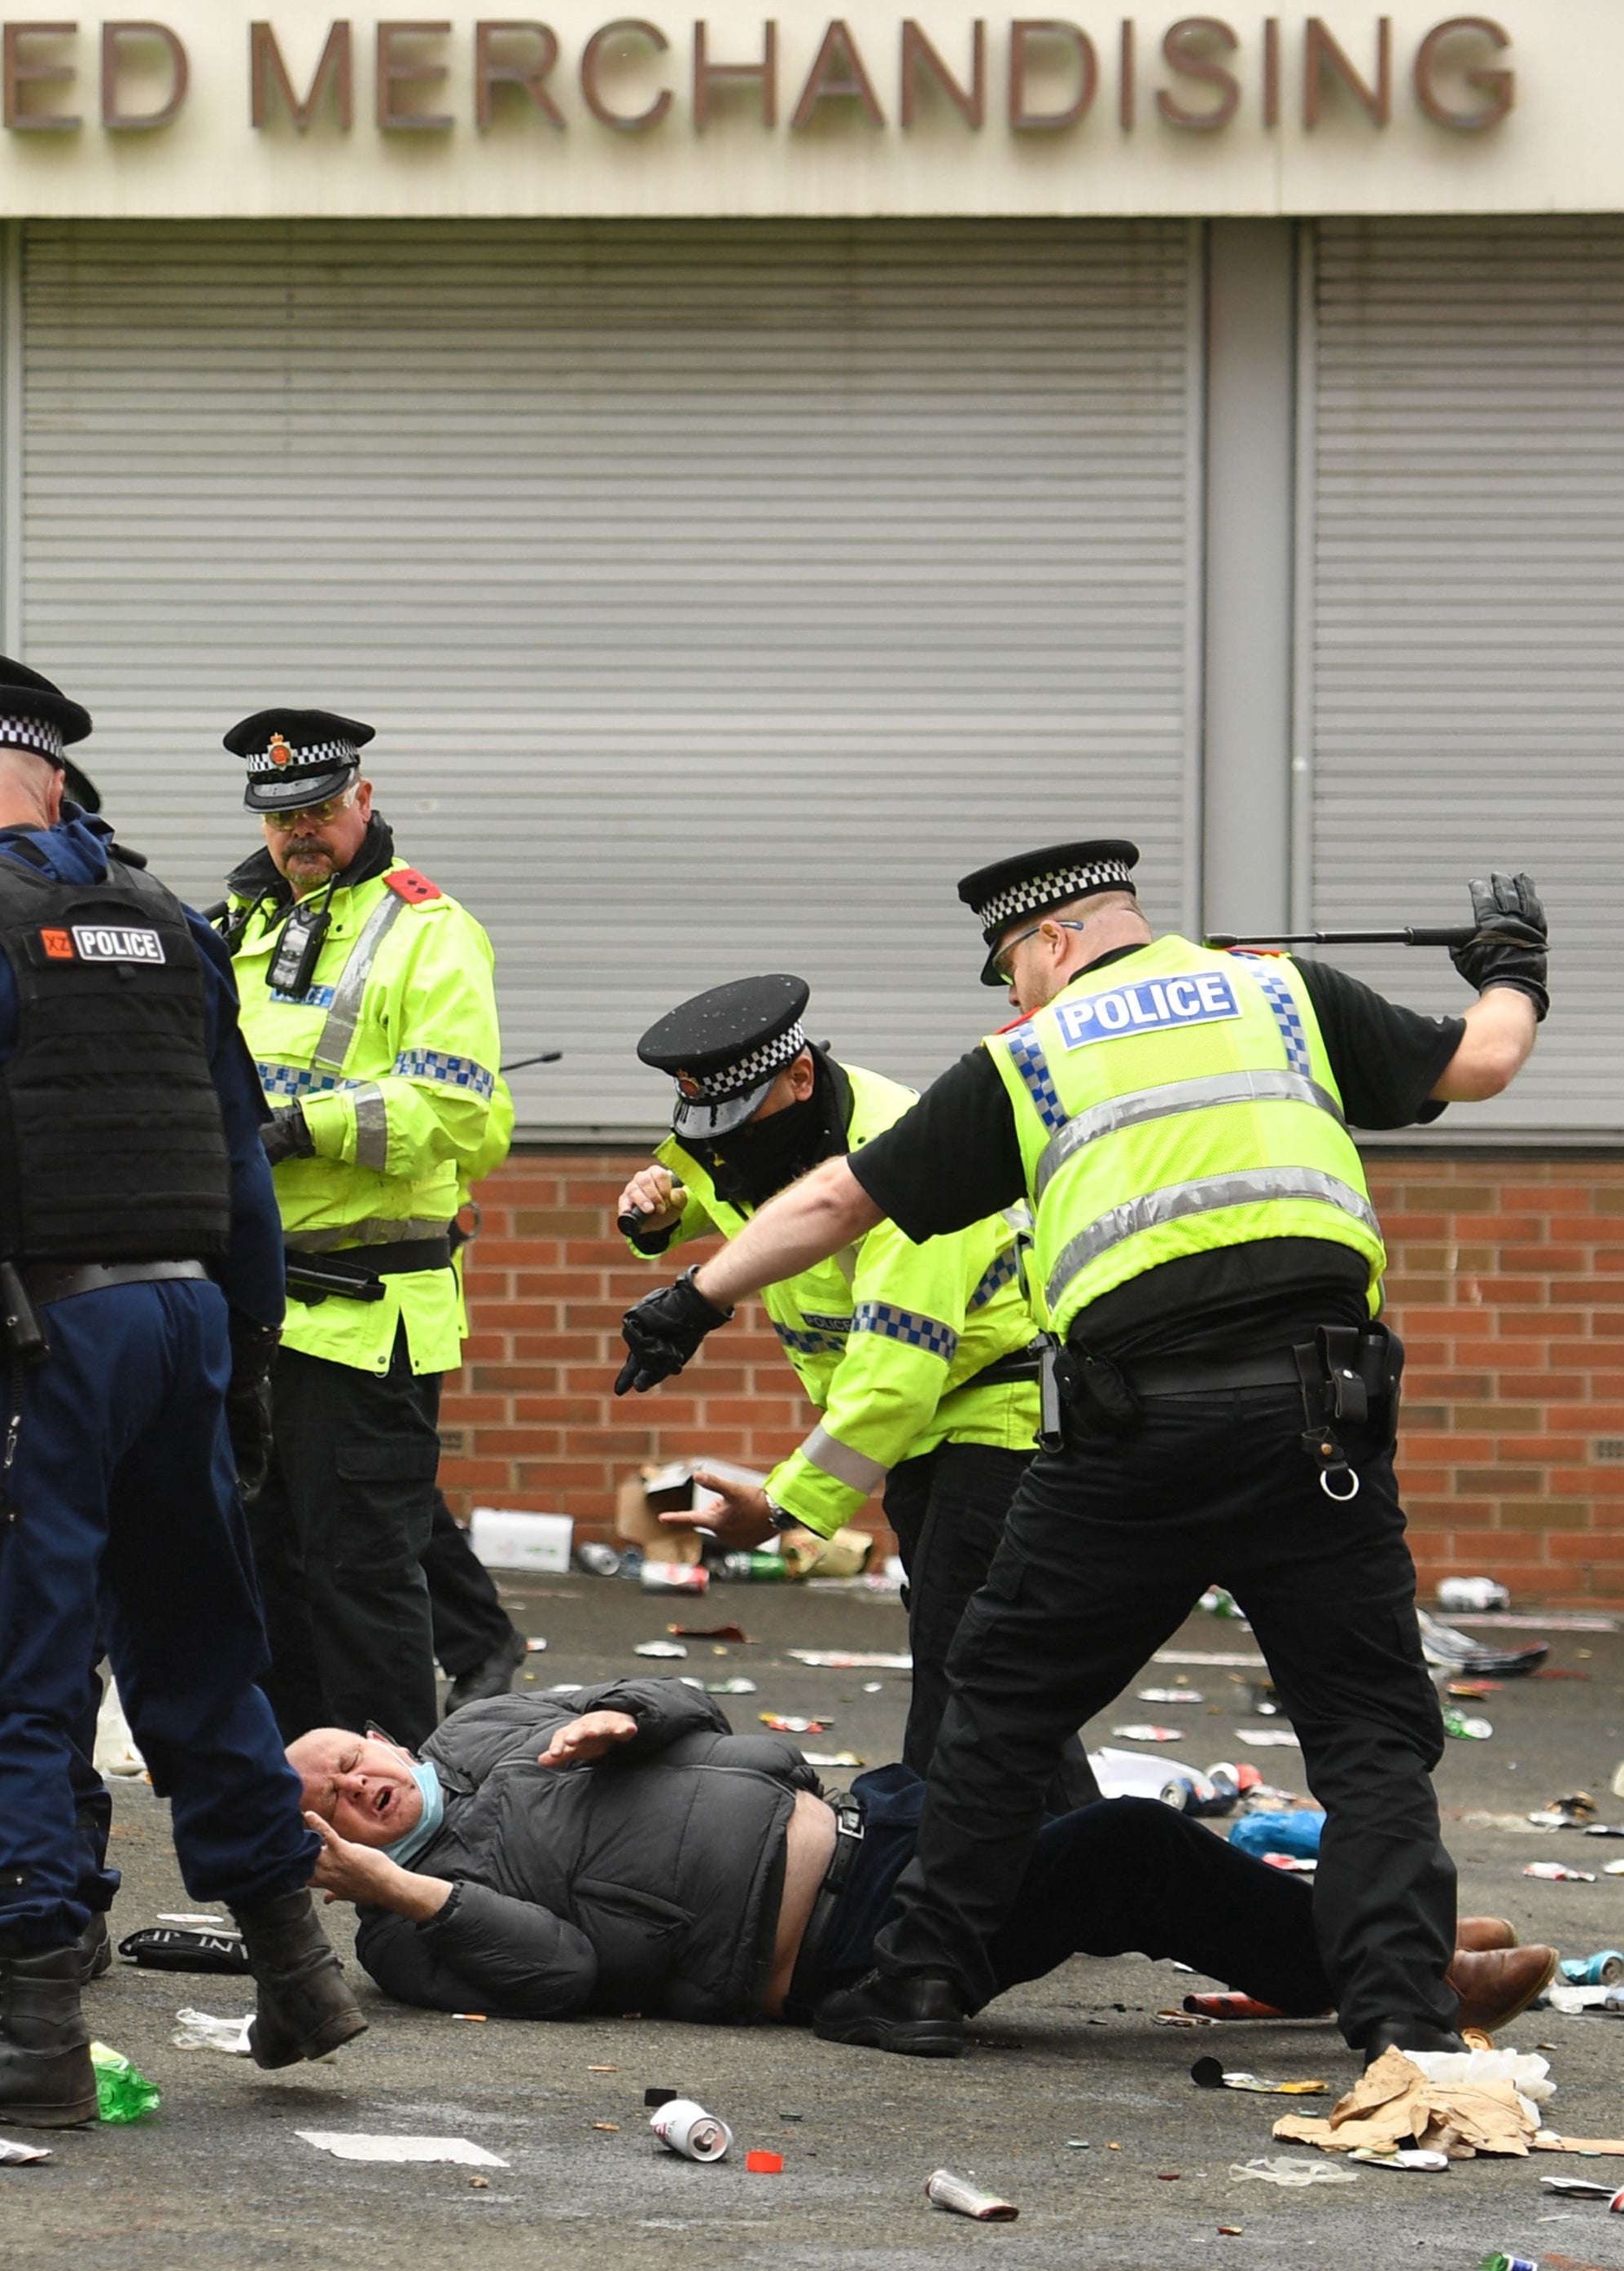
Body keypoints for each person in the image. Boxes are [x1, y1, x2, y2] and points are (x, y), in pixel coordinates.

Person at [610, 839, 1551, 2059]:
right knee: (1368, 1736)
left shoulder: (1030, 1054)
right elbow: (1482, 1060)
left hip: (1125, 1432)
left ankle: (914, 1989)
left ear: (1054, 939)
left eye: (1011, 963)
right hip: (1318, 1422)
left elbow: (844, 1198)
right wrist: (1513, 970)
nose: (1010, 993)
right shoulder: (1282, 993)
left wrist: (695, 1296)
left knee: (996, 1709)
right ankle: (1397, 2020)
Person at [0, 641, 364, 2127]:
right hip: (183, 1324)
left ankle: (28, 2030)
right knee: (199, 1648)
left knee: (0, 1658)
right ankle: (294, 1966)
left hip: (32, 1343)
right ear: (52, 777)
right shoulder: (166, 921)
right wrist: (247, 1357)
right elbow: (240, 1162)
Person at [289, 1690, 1560, 2034]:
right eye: (333, 1805)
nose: (356, 1785)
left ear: (383, 1735)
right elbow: (563, 1972)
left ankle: (1331, 1946)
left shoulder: (485, 1726)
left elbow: (680, 1702)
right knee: (1119, 1846)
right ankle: (1401, 1978)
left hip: (872, 1824)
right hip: (850, 1949)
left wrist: (631, 1712)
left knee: (1069, 1819)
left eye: (348, 1755)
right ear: (329, 1847)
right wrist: (406, 1887)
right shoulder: (402, 1934)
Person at [616, 975, 1083, 1796]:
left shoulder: (903, 1154)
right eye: (709, 1133)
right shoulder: (778, 1134)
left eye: (738, 1125)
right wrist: (667, 1212)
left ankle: (933, 1887)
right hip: (929, 1433)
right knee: (981, 1670)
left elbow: (896, 1375)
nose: (726, 1150)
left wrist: (784, 1507)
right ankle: (1058, 1871)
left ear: (800, 1075)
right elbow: (756, 1200)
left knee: (966, 1674)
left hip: (992, 1417)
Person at [211, 708, 506, 1752]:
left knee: (361, 1580)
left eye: (320, 808)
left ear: (363, 800)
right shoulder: (232, 926)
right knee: (264, 1577)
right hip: (250, 1308)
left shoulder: (428, 928)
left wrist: (301, 1128)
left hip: (365, 1308)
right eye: (281, 813)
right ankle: (302, 1802)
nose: (301, 830)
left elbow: (462, 1116)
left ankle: (403, 1816)